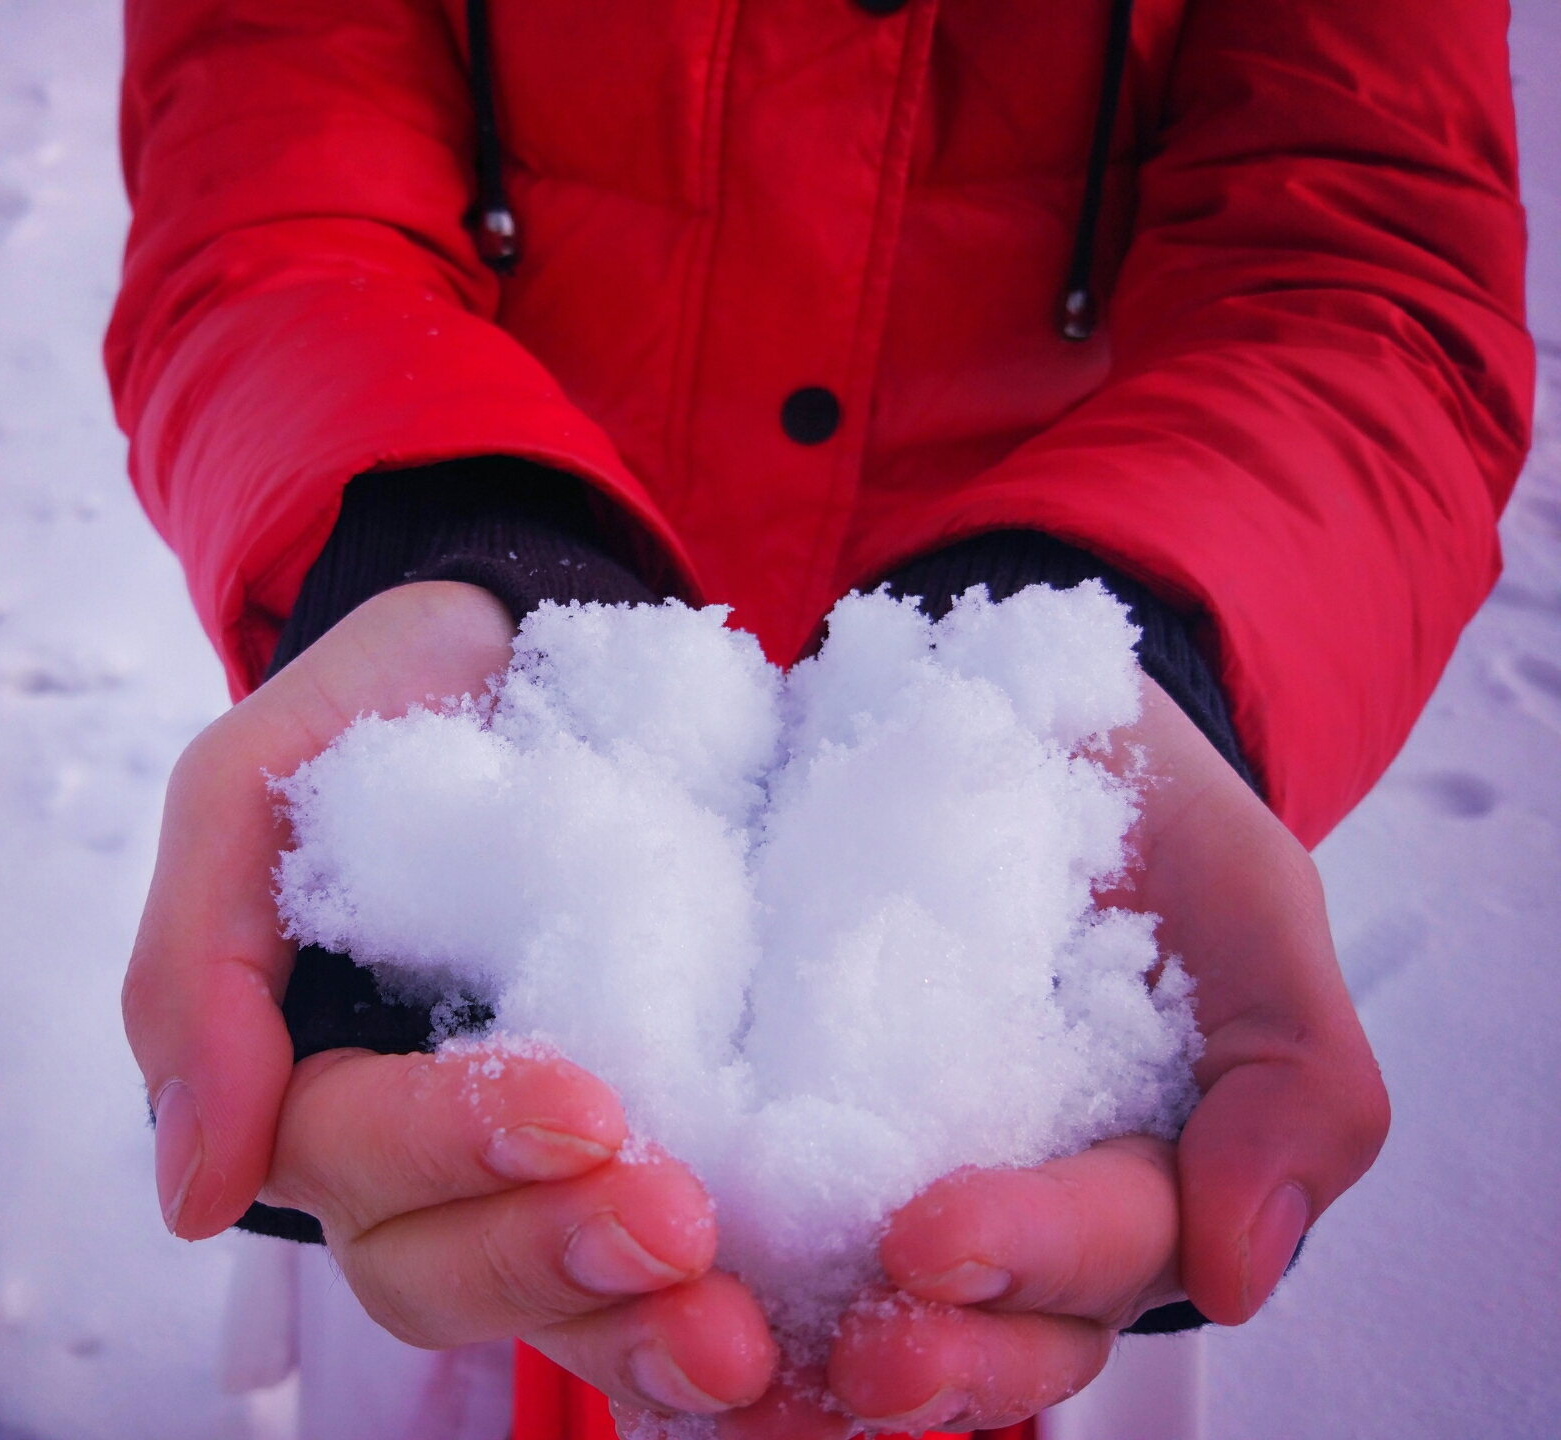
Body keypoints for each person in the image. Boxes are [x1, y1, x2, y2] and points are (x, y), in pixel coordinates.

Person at [105, 0, 1532, 1433]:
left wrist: (1114, 639)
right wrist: (446, 536)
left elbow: (1363, 259)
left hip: (1022, 960)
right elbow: (271, 188)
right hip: (518, 725)